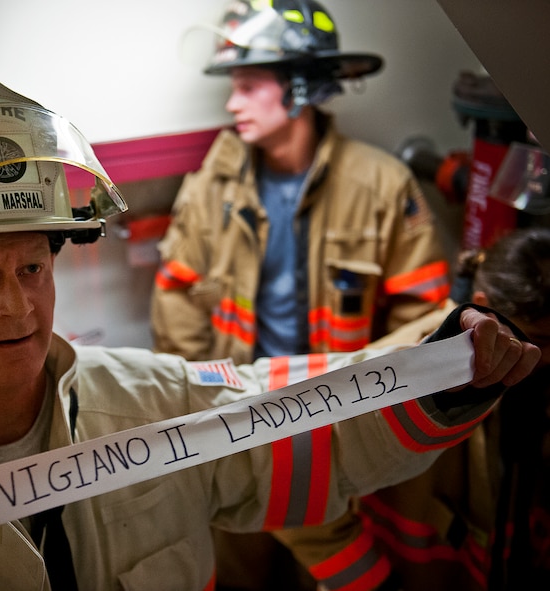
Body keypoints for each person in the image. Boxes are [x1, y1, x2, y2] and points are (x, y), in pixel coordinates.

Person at [0, 74, 538, 591]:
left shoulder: (155, 405)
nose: (17, 304)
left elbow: (315, 439)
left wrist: (449, 371)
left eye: (32, 268)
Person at [150, 1, 454, 588]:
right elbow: (177, 303)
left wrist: (355, 393)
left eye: (247, 85)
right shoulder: (210, 187)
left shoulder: (381, 185)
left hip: (338, 425)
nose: (232, 102)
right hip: (235, 420)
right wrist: (204, 410)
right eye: (231, 86)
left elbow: (426, 319)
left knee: (340, 564)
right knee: (240, 566)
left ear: (298, 88)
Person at [343, 226, 549, 590]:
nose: (544, 357)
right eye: (542, 340)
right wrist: (371, 581)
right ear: (486, 304)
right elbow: (298, 487)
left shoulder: (530, 371)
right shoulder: (399, 366)